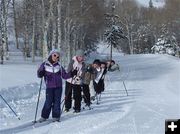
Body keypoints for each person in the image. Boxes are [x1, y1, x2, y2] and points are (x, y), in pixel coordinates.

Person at [37, 49, 77, 122]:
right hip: (49, 87)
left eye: (58, 57)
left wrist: (72, 73)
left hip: (58, 87)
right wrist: (40, 73)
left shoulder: (59, 66)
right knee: (48, 102)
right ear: (51, 55)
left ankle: (56, 117)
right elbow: (39, 73)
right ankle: (44, 116)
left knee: (57, 102)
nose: (56, 57)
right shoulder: (45, 64)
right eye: (55, 55)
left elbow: (64, 76)